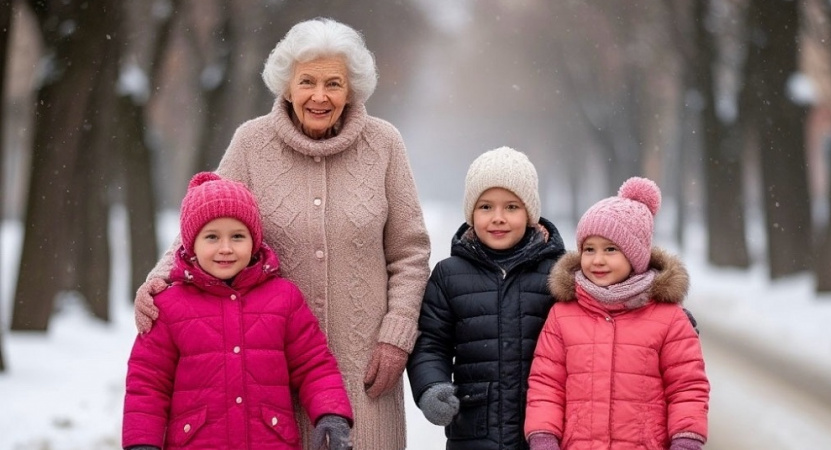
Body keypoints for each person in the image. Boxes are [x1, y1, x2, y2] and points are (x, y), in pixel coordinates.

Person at [132, 18, 432, 450]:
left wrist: (396, 337)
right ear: (286, 87)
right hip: (267, 372)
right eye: (306, 81)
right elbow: (203, 223)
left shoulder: (384, 144)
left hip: (365, 370)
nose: (319, 95)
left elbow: (409, 252)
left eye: (334, 83)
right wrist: (158, 278)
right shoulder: (251, 143)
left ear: (352, 90)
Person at [122, 172, 353, 450]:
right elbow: (147, 384)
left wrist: (331, 413)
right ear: (190, 243)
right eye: (211, 237)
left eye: (237, 236)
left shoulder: (283, 298)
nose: (226, 248)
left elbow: (313, 364)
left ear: (254, 241)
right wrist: (142, 443)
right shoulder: (168, 307)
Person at [524, 177, 710, 450]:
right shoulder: (562, 316)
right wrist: (543, 436)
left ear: (635, 256)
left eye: (610, 249)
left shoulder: (669, 319)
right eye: (589, 249)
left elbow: (687, 388)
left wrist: (685, 439)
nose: (597, 260)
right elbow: (546, 385)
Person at [406, 146, 567, 450]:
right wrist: (432, 385)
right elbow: (430, 342)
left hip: (543, 428)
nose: (498, 218)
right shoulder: (449, 275)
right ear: (471, 212)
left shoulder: (558, 274)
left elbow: (602, 312)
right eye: (485, 207)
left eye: (511, 207)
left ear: (530, 213)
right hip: (473, 428)